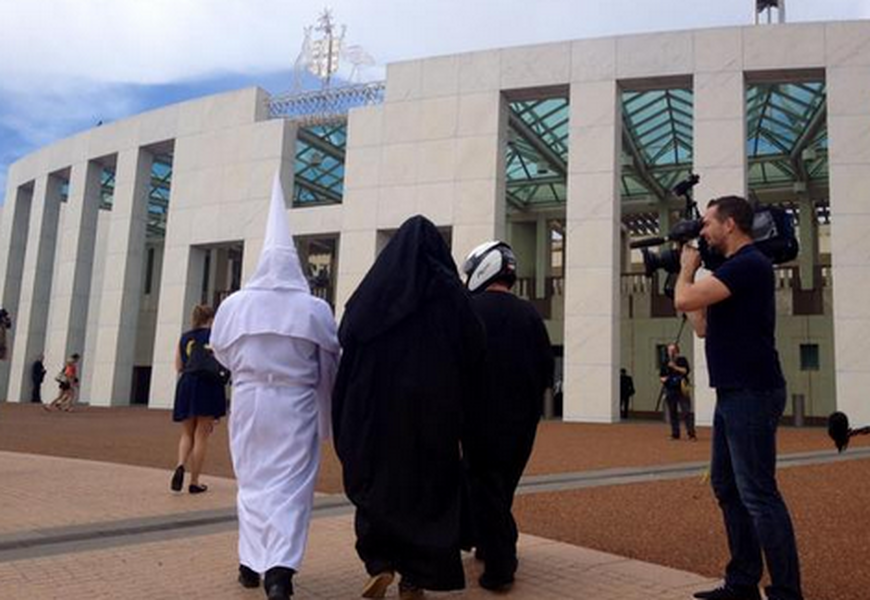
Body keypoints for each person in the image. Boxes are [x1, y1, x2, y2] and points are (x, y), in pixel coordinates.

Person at [332, 215, 486, 600]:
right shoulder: (453, 296)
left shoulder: (371, 294)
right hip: (434, 412)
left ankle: (380, 562)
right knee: (429, 492)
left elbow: (346, 343)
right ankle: (415, 577)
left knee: (379, 485)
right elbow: (475, 349)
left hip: (377, 413)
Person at [210, 174, 339, 600]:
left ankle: (251, 560)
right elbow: (329, 360)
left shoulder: (235, 305)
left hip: (249, 399)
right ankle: (279, 569)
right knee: (291, 484)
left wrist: (251, 371)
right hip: (294, 403)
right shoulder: (313, 308)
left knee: (252, 481)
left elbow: (221, 353)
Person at [675, 195, 802, 600]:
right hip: (734, 391)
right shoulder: (732, 270)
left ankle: (786, 592)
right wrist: (688, 278)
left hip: (753, 390)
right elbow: (700, 326)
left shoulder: (749, 264)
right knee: (727, 487)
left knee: (759, 494)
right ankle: (742, 581)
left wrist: (685, 271)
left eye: (708, 223)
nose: (704, 231)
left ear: (730, 224)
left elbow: (683, 298)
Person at [460, 241, 554, 592]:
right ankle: (486, 542)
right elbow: (547, 368)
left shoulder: (468, 309)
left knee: (484, 484)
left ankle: (501, 566)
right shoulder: (529, 313)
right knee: (502, 486)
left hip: (479, 416)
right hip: (523, 419)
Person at [169, 304, 226, 495]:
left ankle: (179, 465)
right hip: (207, 384)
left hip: (186, 383)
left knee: (187, 433)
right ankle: (194, 481)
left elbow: (178, 366)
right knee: (202, 435)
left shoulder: (185, 337)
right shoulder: (215, 336)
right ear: (211, 319)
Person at [659, 343, 695, 440]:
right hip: (670, 389)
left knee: (686, 411)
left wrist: (675, 367)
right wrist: (664, 379)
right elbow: (661, 376)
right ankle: (675, 434)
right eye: (669, 350)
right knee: (672, 412)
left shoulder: (682, 360)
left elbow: (685, 371)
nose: (670, 352)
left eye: (672, 350)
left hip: (682, 389)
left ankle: (691, 434)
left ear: (677, 351)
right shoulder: (665, 362)